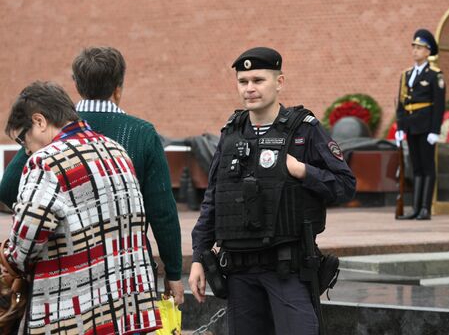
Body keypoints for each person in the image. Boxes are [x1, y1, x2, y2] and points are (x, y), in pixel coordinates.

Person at [188, 47, 356, 335]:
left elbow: (345, 185)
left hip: (286, 269)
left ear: (279, 82)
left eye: (258, 80)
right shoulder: (231, 133)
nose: (250, 89)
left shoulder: (304, 130)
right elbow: (214, 199)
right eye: (243, 82)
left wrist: (304, 171)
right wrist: (198, 258)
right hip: (240, 273)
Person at [0, 47, 184, 303]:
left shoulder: (51, 132)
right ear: (119, 86)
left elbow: (8, 189)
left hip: (66, 275)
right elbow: (161, 210)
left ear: (76, 84)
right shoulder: (140, 134)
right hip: (127, 273)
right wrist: (173, 272)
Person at [3, 81, 162, 333]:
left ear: (40, 121)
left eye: (24, 138)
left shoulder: (45, 162)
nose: (26, 148)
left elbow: (23, 247)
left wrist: (9, 256)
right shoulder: (116, 151)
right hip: (126, 310)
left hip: (72, 313)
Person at [395, 29, 446, 220]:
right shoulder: (406, 75)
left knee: (427, 167)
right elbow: (401, 103)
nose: (415, 51)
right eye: (414, 47)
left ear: (428, 51)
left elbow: (439, 105)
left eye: (419, 48)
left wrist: (435, 130)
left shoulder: (435, 75)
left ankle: (425, 208)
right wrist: (400, 128)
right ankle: (415, 208)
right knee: (415, 168)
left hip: (426, 128)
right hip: (410, 127)